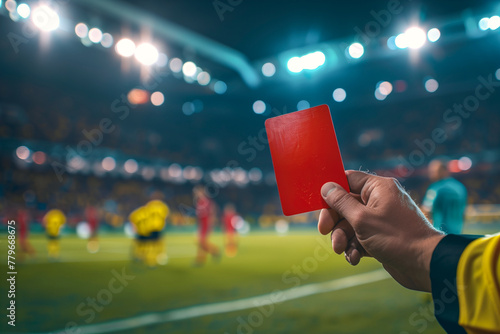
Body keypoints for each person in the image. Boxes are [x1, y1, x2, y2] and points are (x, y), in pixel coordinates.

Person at [317, 170, 499, 333]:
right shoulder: (460, 188)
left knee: (440, 276)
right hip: (459, 236)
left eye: (435, 169)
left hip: (440, 234)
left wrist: (420, 243)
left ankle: (435, 290)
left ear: (441, 170)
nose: (432, 172)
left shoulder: (437, 188)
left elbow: (427, 209)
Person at [421, 159, 467, 234]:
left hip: (440, 235)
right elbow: (463, 212)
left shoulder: (435, 188)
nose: (431, 174)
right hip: (457, 234)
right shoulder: (460, 187)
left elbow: (425, 212)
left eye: (433, 171)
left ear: (443, 170)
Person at [193, 185, 220, 265]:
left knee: (201, 242)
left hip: (206, 225)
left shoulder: (207, 202)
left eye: (197, 192)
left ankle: (213, 252)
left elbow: (213, 212)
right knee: (200, 242)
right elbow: (199, 216)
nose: (196, 194)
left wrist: (211, 224)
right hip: (201, 225)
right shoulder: (199, 202)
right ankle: (213, 252)